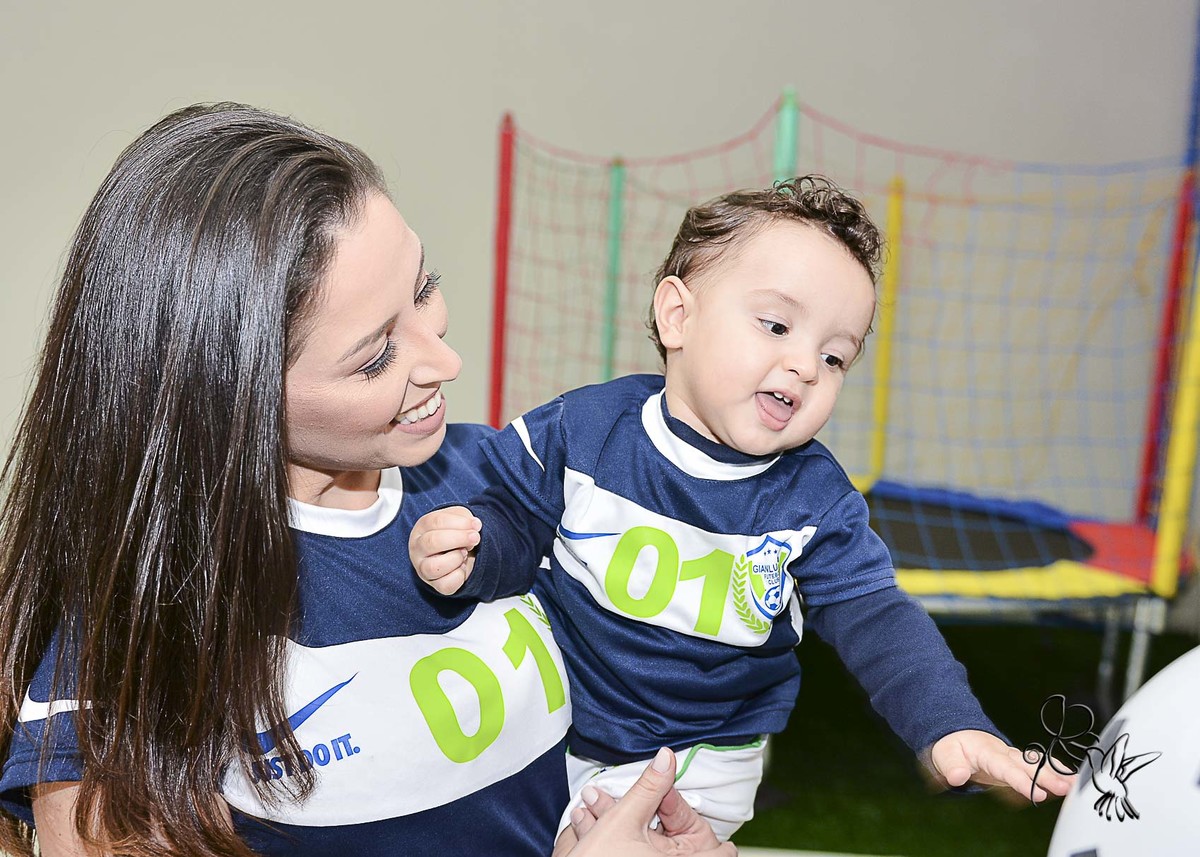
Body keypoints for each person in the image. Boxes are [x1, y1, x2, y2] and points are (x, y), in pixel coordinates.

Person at [0, 102, 731, 857]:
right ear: (227, 396)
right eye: (375, 356)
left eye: (424, 287)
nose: (445, 361)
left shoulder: (499, 480)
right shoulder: (145, 628)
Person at [410, 176, 1076, 843]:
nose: (806, 366)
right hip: (555, 717)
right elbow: (514, 520)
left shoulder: (813, 502)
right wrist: (474, 553)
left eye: (834, 356)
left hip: (697, 758)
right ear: (678, 317)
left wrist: (950, 720)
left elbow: (876, 618)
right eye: (777, 325)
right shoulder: (584, 430)